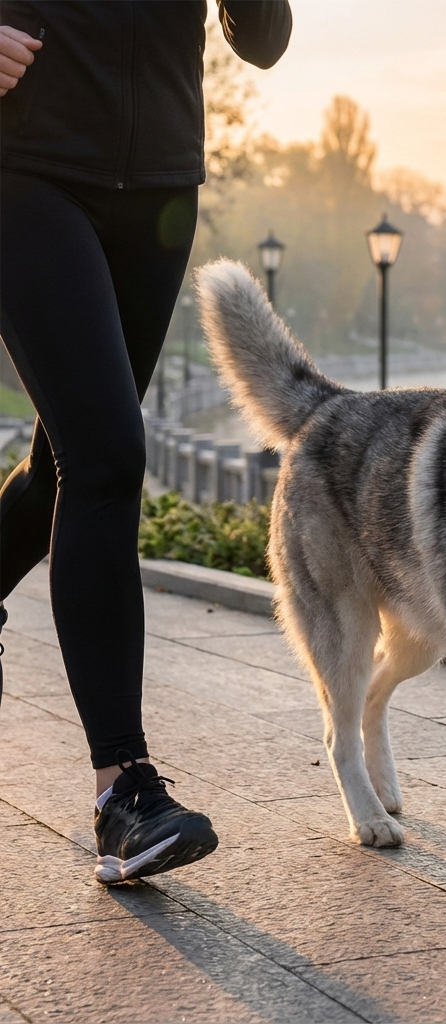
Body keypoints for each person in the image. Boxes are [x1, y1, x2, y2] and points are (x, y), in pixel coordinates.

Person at [0, 1, 291, 882]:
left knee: (69, 461)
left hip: (159, 180)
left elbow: (265, 41)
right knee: (108, 456)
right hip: (25, 162)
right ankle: (123, 791)